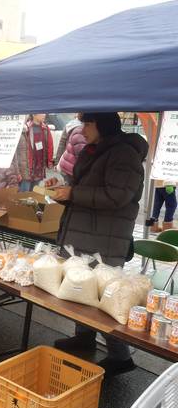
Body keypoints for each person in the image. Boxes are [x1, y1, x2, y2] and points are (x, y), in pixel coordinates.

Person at [46, 112, 147, 377]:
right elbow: (86, 189)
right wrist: (64, 191)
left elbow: (116, 196)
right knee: (82, 288)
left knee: (104, 295)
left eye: (88, 123)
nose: (83, 129)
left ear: (102, 125)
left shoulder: (124, 154)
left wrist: (74, 193)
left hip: (105, 238)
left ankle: (120, 355)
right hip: (87, 233)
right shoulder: (96, 149)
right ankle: (84, 337)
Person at [5, 114, 54, 191]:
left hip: (39, 167)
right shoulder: (26, 129)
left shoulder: (45, 128)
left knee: (34, 193)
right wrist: (18, 172)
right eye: (41, 112)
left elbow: (50, 145)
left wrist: (49, 161)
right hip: (27, 168)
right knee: (24, 194)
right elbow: (18, 152)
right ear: (34, 114)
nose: (44, 114)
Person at [56, 120, 87, 185]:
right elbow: (82, 161)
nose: (84, 130)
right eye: (87, 124)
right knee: (71, 189)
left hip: (68, 167)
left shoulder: (73, 126)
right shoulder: (79, 133)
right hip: (70, 169)